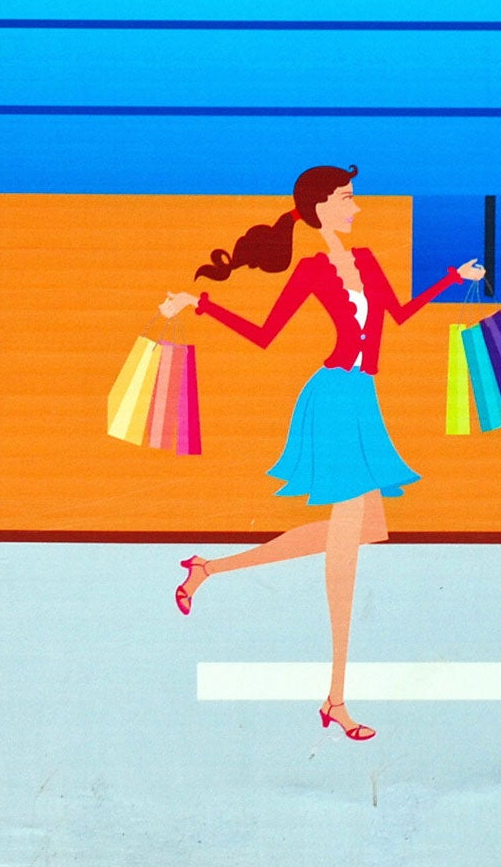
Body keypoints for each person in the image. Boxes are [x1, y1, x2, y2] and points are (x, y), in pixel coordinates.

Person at [160, 165, 484, 742]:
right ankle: (336, 698)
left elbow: (402, 316)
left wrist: (450, 278)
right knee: (347, 544)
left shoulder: (368, 264)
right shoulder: (312, 270)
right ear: (321, 209)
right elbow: (265, 335)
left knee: (361, 529)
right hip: (332, 401)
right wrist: (202, 304)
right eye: (346, 199)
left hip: (361, 398)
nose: (356, 207)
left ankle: (206, 569)